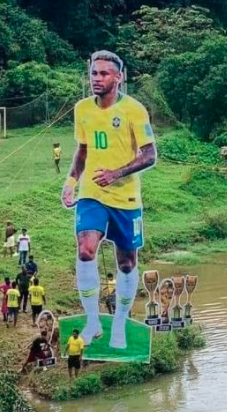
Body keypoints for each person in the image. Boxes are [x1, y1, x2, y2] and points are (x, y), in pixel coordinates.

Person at [61, 50, 157, 349]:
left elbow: (150, 155)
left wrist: (116, 173)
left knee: (127, 263)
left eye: (104, 73)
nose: (97, 79)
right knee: (86, 249)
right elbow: (82, 150)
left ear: (119, 77)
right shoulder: (82, 109)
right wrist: (72, 180)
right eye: (93, 73)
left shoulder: (134, 110)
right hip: (92, 192)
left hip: (126, 198)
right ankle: (92, 322)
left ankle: (119, 325)